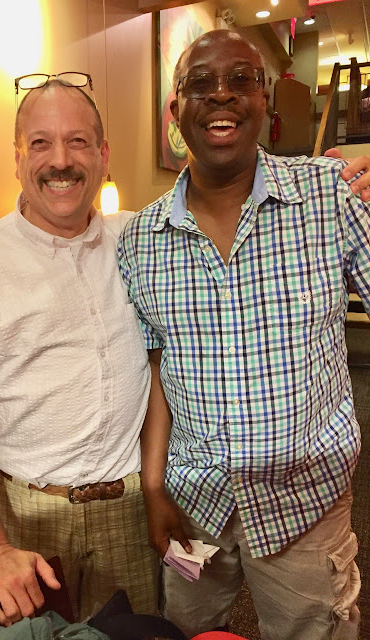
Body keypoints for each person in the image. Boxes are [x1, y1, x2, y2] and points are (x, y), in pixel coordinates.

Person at [117, 31, 370, 640]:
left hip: (305, 502)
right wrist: (153, 486)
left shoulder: (328, 196)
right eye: (200, 84)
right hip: (195, 502)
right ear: (175, 110)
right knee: (184, 631)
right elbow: (158, 367)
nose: (222, 95)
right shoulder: (140, 240)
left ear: (264, 102)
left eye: (241, 80)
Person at [0, 76, 158, 627]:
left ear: (103, 155)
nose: (61, 161)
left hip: (131, 508)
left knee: (135, 633)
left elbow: (217, 203)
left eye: (78, 141)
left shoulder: (139, 238)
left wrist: (324, 178)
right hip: (27, 512)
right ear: (18, 157)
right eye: (41, 143)